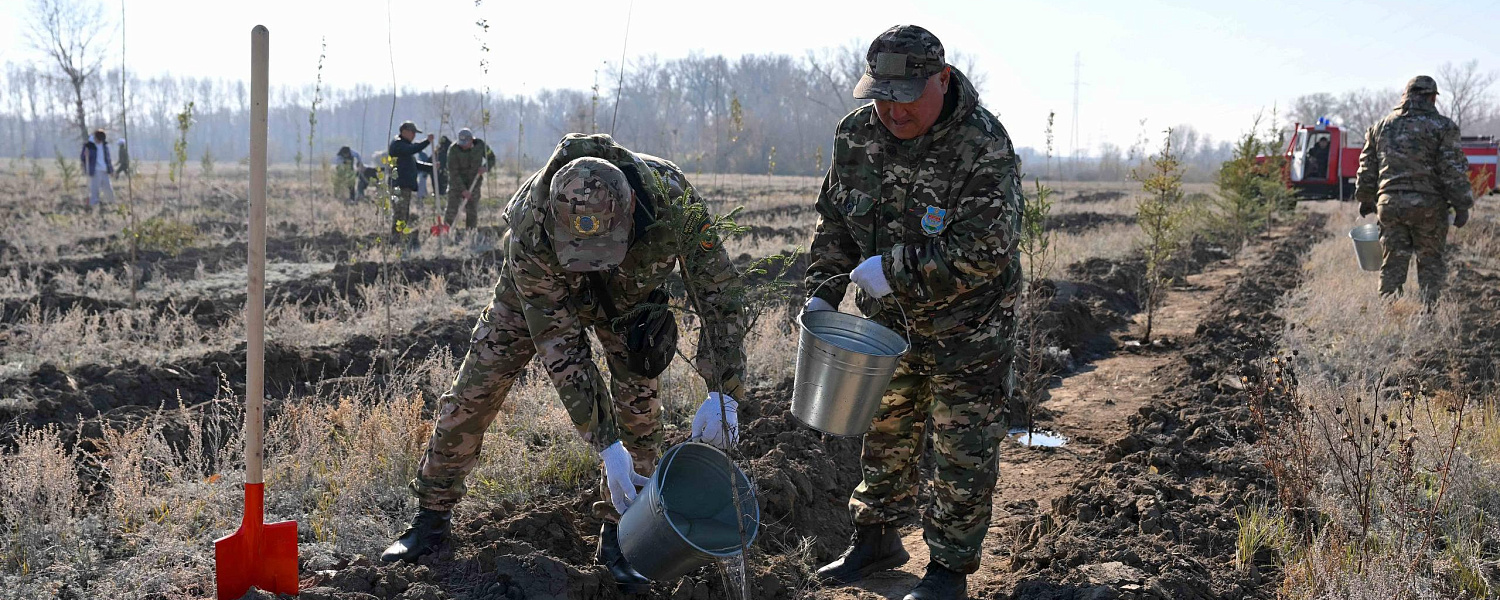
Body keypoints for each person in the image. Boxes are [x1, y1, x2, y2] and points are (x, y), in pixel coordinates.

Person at [381, 133, 748, 594]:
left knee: (640, 409)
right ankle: (431, 516)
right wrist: (604, 443)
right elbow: (561, 345)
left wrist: (724, 391)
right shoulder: (532, 232)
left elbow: (718, 295)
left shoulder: (673, 202)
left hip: (632, 304)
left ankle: (623, 534)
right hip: (535, 301)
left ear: (630, 207)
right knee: (476, 389)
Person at [802, 25, 1022, 600]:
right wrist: (823, 290)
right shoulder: (855, 137)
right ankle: (875, 539)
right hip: (889, 327)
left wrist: (894, 271)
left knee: (961, 447)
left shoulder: (982, 145)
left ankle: (948, 572)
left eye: (905, 96)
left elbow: (986, 250)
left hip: (969, 327)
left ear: (942, 80)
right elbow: (835, 221)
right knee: (884, 430)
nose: (892, 112)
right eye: (880, 96)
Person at [1353, 75, 1474, 305]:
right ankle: (1428, 316)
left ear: (1406, 96)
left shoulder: (1380, 127)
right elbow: (1452, 170)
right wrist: (1462, 205)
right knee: (1430, 263)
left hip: (1390, 206)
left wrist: (1366, 199)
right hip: (1429, 208)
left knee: (1393, 264)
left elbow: (1366, 169)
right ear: (1431, 98)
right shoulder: (1444, 127)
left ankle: (1390, 315)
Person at [442, 128, 496, 230]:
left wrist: (485, 167)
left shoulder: (480, 145)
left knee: (472, 211)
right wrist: (463, 190)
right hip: (456, 184)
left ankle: (470, 234)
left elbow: (491, 157)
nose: (463, 145)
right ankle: (446, 233)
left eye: (466, 142)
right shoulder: (453, 150)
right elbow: (453, 172)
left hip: (474, 182)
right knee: (451, 210)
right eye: (461, 143)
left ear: (471, 140)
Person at [388, 121, 434, 235]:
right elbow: (412, 149)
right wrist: (427, 141)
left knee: (404, 214)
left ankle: (400, 237)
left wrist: (431, 167)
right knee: (400, 214)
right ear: (404, 132)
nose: (414, 135)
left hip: (405, 186)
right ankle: (396, 239)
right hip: (399, 185)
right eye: (412, 132)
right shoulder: (398, 144)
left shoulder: (405, 146)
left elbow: (413, 163)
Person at [80, 129, 116, 208]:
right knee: (94, 190)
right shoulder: (89, 145)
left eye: (101, 140)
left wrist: (111, 170)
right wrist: (85, 155)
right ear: (95, 138)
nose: (100, 142)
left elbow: (108, 158)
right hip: (95, 170)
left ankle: (112, 205)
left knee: (108, 189)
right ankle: (93, 206)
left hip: (104, 170)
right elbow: (83, 157)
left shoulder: (104, 146)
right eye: (99, 140)